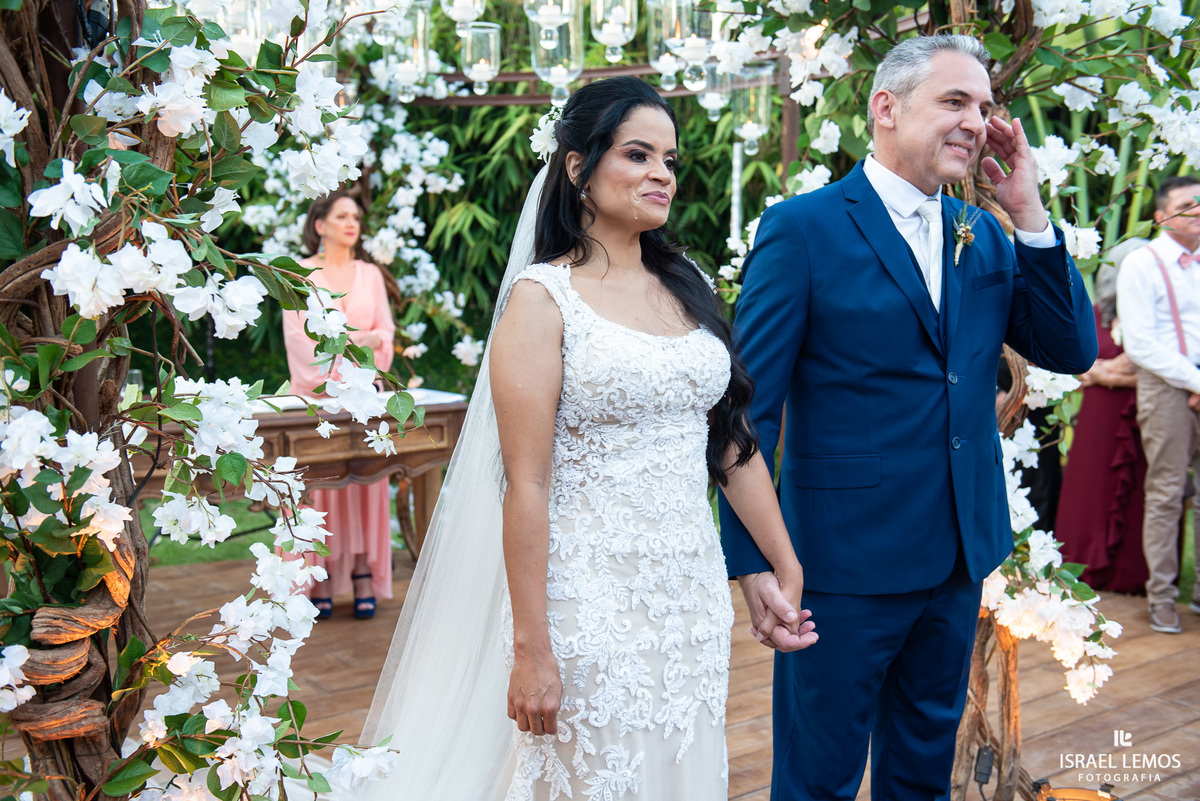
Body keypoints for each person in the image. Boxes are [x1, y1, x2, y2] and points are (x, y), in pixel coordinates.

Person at [357, 77, 815, 800]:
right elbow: (526, 483)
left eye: (670, 159)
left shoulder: (688, 284)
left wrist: (783, 563)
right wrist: (532, 648)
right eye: (638, 154)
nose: (661, 173)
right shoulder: (544, 300)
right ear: (578, 167)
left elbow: (731, 444)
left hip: (689, 600)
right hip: (587, 605)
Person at [718, 35, 1097, 801]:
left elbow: (1071, 346)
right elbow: (744, 410)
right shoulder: (803, 230)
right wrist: (752, 561)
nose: (975, 121)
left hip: (958, 556)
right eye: (954, 101)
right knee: (817, 779)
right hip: (838, 565)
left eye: (985, 107)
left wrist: (1026, 209)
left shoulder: (985, 232)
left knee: (920, 776)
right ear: (885, 108)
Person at [282, 190, 396, 620]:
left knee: (365, 483)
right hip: (317, 401)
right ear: (320, 225)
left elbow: (384, 334)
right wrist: (357, 342)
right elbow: (299, 340)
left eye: (356, 217)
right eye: (342, 215)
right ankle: (320, 576)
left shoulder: (369, 273)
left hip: (366, 400)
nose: (352, 223)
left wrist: (352, 343)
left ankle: (364, 572)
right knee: (323, 485)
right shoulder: (301, 274)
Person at [1115, 175, 1200, 634]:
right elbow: (1141, 343)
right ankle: (1162, 598)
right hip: (1168, 384)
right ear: (1162, 216)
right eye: (1190, 203)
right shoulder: (1141, 263)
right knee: (1167, 493)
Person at [1055, 239, 1149, 595]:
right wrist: (1107, 373)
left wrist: (1102, 374)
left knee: (1140, 488)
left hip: (1143, 409)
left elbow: (1159, 369)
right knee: (1090, 485)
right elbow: (1073, 362)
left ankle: (1132, 574)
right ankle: (1083, 567)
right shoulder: (1092, 314)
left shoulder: (1157, 316)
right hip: (1099, 415)